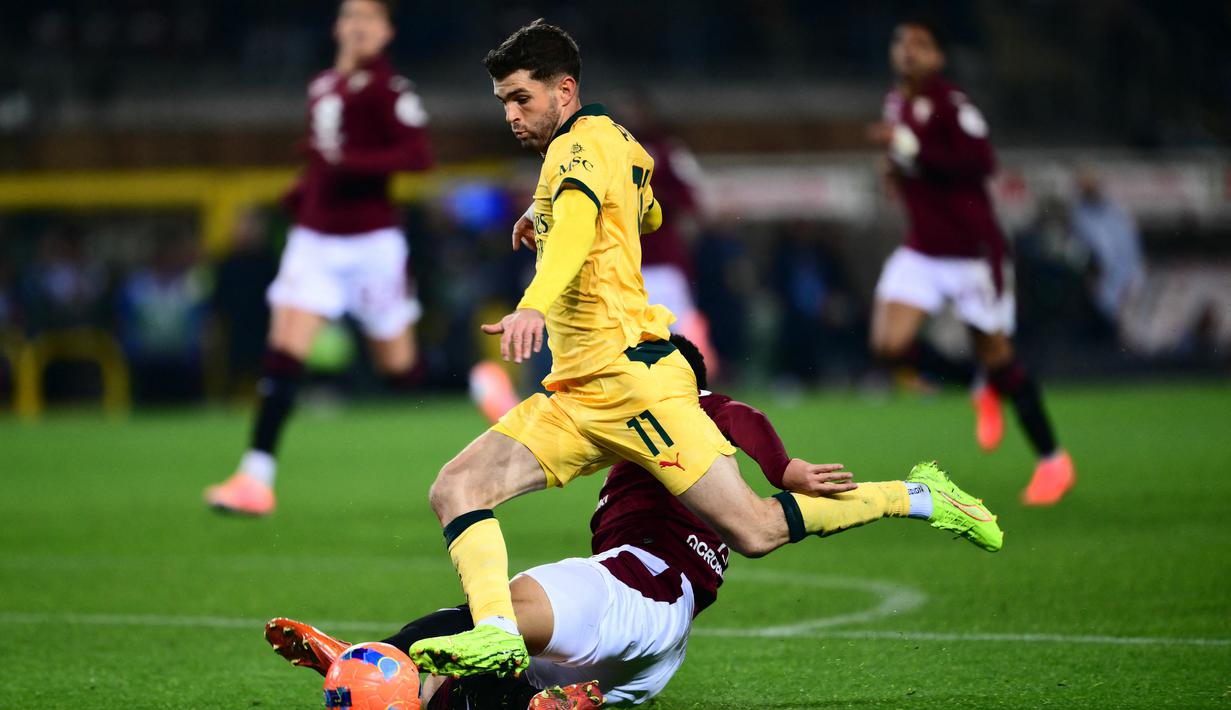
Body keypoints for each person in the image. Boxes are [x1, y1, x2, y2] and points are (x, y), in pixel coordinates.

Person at [407, 19, 1002, 682]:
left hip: (632, 383)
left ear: (564, 90)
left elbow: (577, 223)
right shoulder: (621, 144)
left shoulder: (574, 151)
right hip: (574, 392)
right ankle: (494, 633)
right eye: (503, 103)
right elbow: (647, 212)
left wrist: (533, 301)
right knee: (457, 485)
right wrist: (539, 215)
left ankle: (915, 495)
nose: (511, 115)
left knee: (753, 531)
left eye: (521, 98)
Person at [266, 336, 1000, 709]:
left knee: (490, 617)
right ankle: (395, 674)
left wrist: (781, 469)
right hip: (655, 647)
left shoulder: (686, 410)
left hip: (632, 587)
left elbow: (745, 427)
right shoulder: (637, 434)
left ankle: (371, 659)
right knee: (472, 689)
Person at [204, 0, 433, 516]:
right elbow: (321, 160)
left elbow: (418, 156)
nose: (357, 26)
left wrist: (347, 165)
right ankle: (255, 478)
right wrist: (302, 192)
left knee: (399, 368)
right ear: (336, 27)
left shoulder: (390, 91)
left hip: (373, 242)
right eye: (350, 16)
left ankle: (476, 383)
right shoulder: (322, 86)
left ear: (387, 31)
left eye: (369, 19)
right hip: (314, 239)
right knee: (284, 350)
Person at [866, 18, 1074, 506]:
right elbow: (911, 161)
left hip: (972, 254)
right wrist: (895, 169)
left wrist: (909, 150)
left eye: (921, 44)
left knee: (1001, 356)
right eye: (902, 43)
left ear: (939, 55)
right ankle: (974, 381)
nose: (909, 52)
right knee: (888, 344)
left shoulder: (952, 103)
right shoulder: (897, 102)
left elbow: (981, 164)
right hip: (923, 248)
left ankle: (1053, 461)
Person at [1070, 167, 1145, 329]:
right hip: (1093, 291)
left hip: (1120, 285)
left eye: (1091, 186)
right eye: (1084, 188)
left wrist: (1134, 278)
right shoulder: (1077, 216)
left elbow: (1130, 250)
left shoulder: (1117, 214)